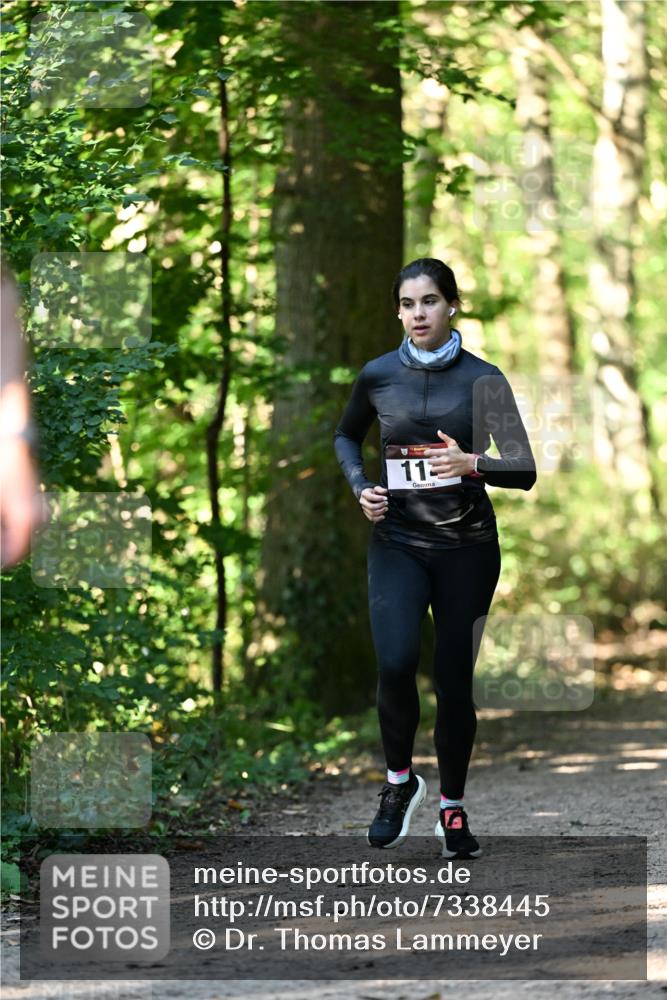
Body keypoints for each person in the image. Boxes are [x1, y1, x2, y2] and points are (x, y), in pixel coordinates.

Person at [334, 258, 536, 859]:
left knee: (452, 681)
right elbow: (346, 435)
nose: (417, 314)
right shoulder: (377, 375)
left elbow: (524, 468)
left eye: (428, 301)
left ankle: (452, 807)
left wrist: (474, 463)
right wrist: (360, 486)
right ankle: (399, 783)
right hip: (397, 541)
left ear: (451, 305)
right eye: (407, 304)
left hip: (466, 548)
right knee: (396, 661)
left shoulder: (484, 380)